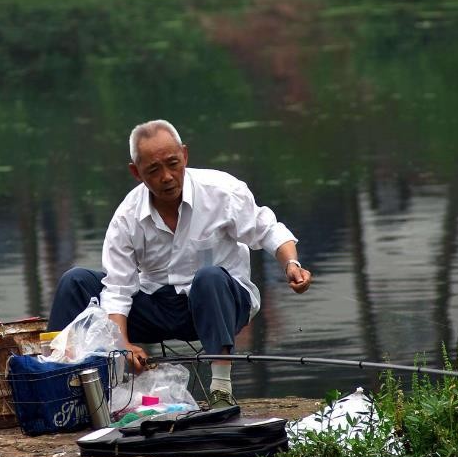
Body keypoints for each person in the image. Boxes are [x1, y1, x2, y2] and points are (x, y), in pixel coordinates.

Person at [48, 119, 311, 408]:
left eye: (173, 164)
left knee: (208, 278)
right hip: (159, 305)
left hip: (221, 302)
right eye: (153, 170)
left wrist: (291, 264)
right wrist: (122, 345)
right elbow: (118, 289)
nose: (167, 177)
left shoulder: (222, 190)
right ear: (136, 173)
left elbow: (268, 229)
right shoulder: (126, 216)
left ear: (185, 155)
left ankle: (221, 390)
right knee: (76, 282)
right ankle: (58, 388)